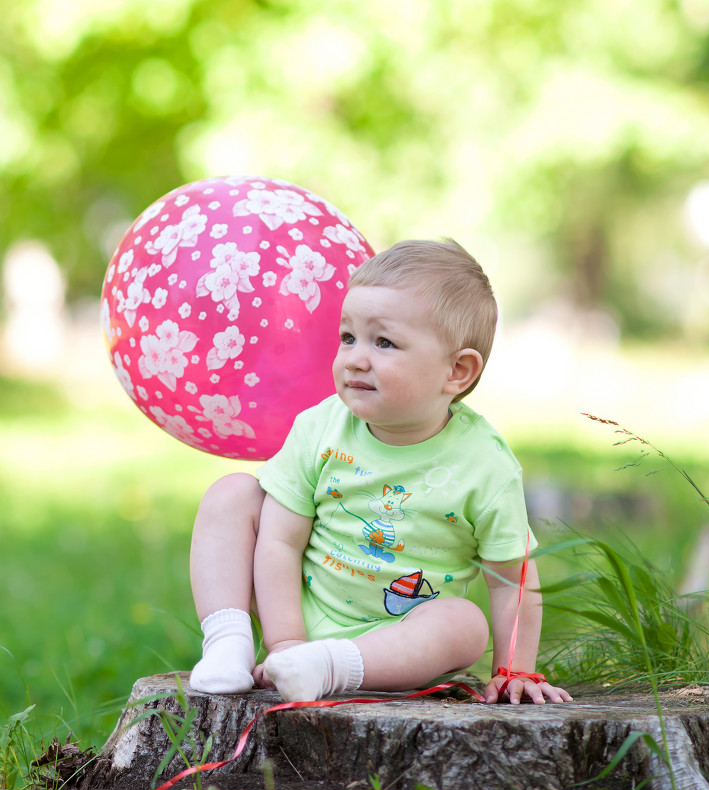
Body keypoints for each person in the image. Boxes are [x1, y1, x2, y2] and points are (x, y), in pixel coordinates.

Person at [187, 239, 572, 705]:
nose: (355, 357)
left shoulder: (485, 466)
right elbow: (279, 540)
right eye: (348, 337)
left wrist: (515, 670)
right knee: (233, 494)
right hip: (294, 615)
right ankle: (228, 643)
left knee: (466, 626)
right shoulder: (321, 427)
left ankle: (331, 665)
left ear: (457, 371)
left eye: (383, 342)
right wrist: (287, 641)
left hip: (398, 642)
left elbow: (512, 580)